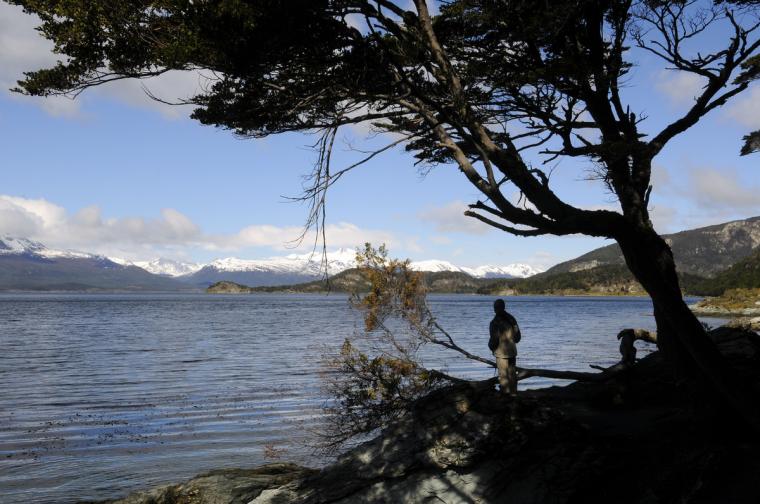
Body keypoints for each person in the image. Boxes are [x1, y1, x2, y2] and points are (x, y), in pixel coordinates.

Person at [488, 299, 521, 396]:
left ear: (496, 309)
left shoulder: (495, 322)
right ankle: (514, 394)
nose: (494, 310)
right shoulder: (512, 319)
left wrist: (491, 347)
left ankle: (505, 395)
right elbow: (518, 337)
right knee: (512, 374)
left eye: (495, 307)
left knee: (503, 375)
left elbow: (494, 340)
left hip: (501, 353)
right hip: (512, 351)